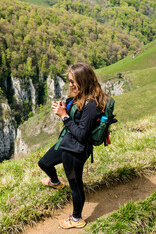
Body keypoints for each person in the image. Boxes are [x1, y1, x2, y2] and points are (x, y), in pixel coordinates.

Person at [38, 63, 109, 229]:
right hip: (67, 142)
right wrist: (64, 108)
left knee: (75, 185)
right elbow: (75, 120)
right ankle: (55, 182)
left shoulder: (92, 106)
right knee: (44, 163)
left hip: (76, 151)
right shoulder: (80, 95)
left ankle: (77, 219)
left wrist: (64, 116)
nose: (70, 84)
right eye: (69, 80)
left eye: (73, 81)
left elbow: (82, 136)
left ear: (83, 81)